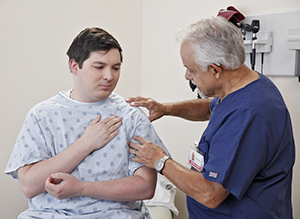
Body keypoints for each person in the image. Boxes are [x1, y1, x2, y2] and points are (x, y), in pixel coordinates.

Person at [126, 16, 295, 218]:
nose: (187, 76)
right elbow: (211, 108)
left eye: (191, 69)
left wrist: (160, 161)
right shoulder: (247, 85)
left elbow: (210, 194)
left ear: (215, 69)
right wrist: (166, 108)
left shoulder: (249, 113)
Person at [5, 27, 169, 219]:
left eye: (116, 68)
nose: (109, 76)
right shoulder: (43, 115)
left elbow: (145, 187)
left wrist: (82, 188)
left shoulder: (131, 116)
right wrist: (85, 144)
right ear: (74, 66)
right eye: (99, 67)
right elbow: (29, 186)